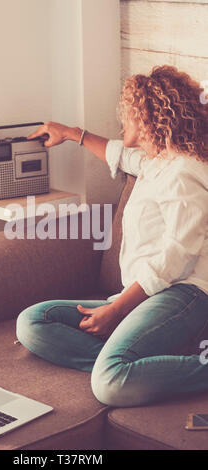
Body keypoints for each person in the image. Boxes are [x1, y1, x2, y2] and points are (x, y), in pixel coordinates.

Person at [16, 65, 208, 407]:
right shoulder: (157, 162)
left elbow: (177, 257)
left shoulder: (183, 173)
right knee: (33, 322)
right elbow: (121, 154)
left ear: (150, 117)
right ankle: (139, 360)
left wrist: (117, 309)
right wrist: (71, 133)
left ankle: (158, 366)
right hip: (144, 297)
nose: (122, 118)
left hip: (184, 294)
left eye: (129, 112)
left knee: (109, 384)